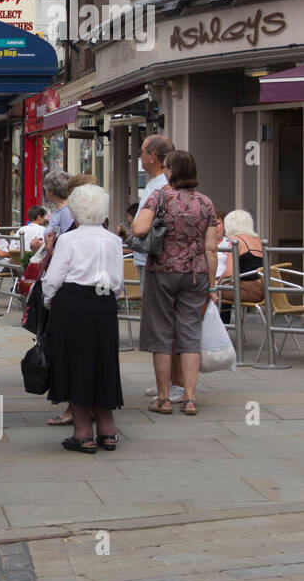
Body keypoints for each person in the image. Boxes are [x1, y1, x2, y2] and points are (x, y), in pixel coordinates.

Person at [131, 150, 218, 416]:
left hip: (163, 270)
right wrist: (212, 286)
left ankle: (164, 398)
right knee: (190, 333)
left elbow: (139, 229)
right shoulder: (206, 203)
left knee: (161, 333)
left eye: (167, 168)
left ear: (171, 171)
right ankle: (190, 399)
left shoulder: (160, 197)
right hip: (196, 273)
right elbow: (211, 248)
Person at [40, 184, 125, 454]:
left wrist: (49, 302)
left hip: (73, 303)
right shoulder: (113, 240)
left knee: (74, 364)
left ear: (75, 212)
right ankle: (108, 430)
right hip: (104, 303)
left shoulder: (69, 239)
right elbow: (119, 283)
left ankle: (83, 433)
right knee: (103, 362)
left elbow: (53, 280)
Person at [217, 209, 265, 321]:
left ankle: (216, 331)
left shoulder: (236, 240)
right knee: (220, 289)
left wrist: (216, 284)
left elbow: (229, 273)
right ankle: (224, 328)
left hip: (248, 290)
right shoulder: (257, 240)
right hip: (262, 289)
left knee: (207, 291)